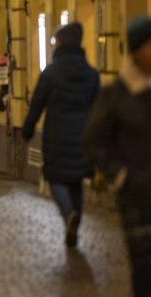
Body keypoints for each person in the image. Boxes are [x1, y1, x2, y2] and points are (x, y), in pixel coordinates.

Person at [85, 15, 151, 297]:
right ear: (136, 50)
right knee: (144, 268)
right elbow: (93, 141)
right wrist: (121, 176)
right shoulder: (115, 96)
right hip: (136, 197)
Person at [20, 22, 99, 247]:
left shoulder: (51, 73)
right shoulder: (91, 74)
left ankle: (68, 216)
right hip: (83, 134)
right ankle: (75, 221)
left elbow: (37, 103)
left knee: (55, 177)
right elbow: (98, 106)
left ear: (61, 44)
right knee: (76, 180)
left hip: (56, 133)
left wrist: (27, 129)